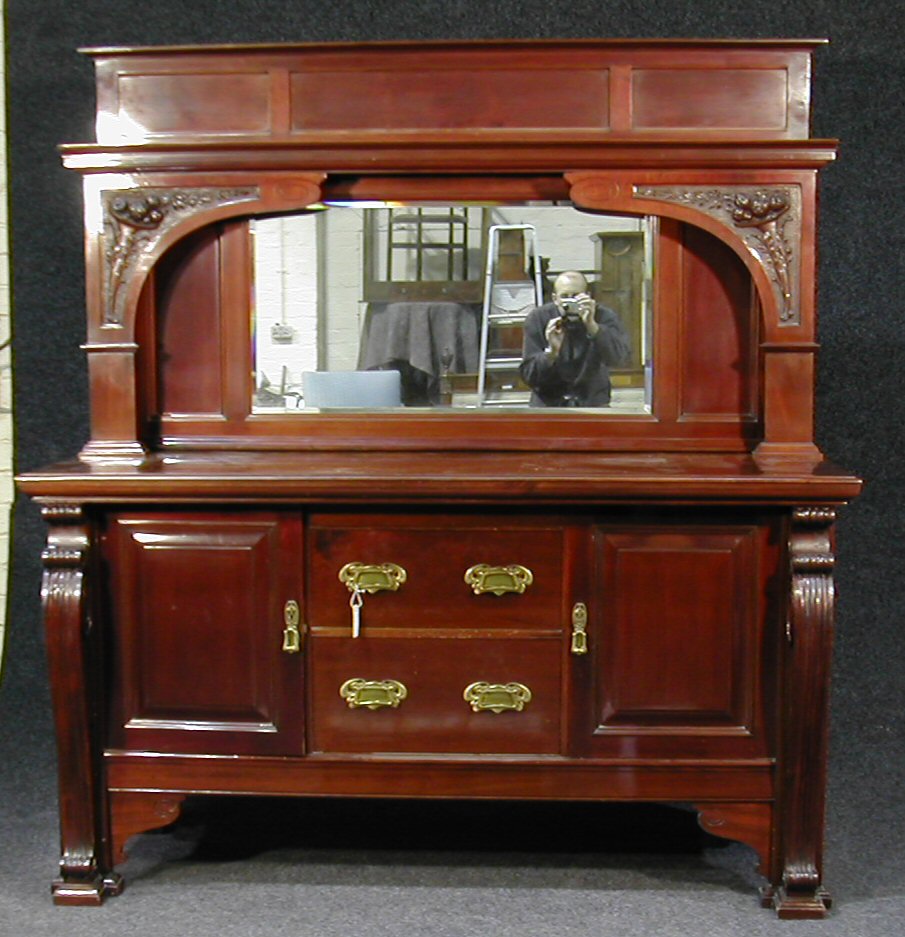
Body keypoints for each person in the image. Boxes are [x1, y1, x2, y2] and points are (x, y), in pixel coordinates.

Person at [519, 270, 630, 407]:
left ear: (587, 296)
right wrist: (551, 353)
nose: (570, 302)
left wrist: (594, 327)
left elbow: (619, 358)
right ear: (555, 299)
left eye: (576, 296)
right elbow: (529, 376)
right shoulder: (538, 318)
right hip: (549, 403)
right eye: (565, 296)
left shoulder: (603, 316)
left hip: (592, 402)